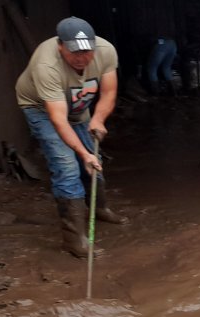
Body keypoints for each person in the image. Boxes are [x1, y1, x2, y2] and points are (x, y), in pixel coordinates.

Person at [15, 17, 127, 258]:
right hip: (42, 109)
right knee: (67, 166)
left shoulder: (106, 51)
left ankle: (99, 208)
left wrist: (98, 119)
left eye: (87, 51)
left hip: (78, 105)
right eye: (75, 52)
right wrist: (82, 153)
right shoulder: (47, 65)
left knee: (93, 159)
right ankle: (74, 240)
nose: (82, 58)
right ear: (60, 46)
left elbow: (109, 92)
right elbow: (57, 118)